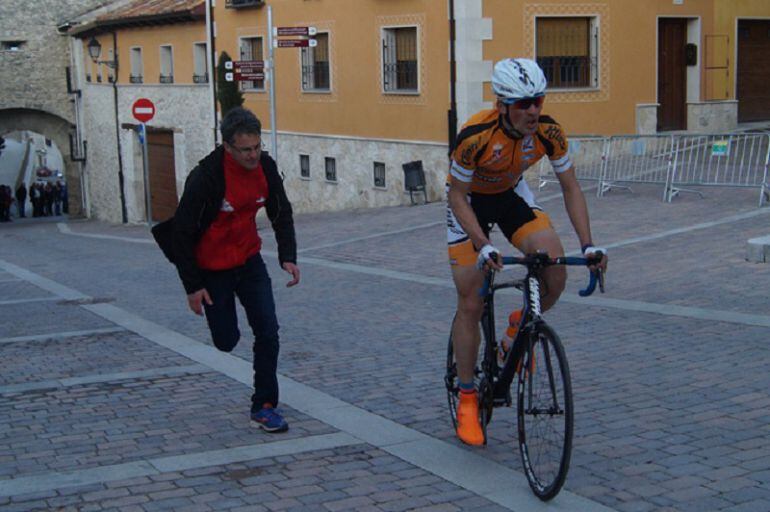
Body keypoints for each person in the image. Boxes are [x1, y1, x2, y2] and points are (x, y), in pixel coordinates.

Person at [446, 58, 608, 446]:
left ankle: (517, 331)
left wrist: (588, 244)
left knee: (554, 266)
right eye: (523, 103)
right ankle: (468, 397)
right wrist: (484, 246)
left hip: (510, 198)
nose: (533, 110)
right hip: (468, 206)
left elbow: (571, 188)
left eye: (537, 100)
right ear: (502, 104)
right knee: (471, 299)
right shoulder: (474, 136)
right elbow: (456, 195)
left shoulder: (549, 131)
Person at [152, 107, 300, 432]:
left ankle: (264, 405)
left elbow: (280, 210)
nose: (253, 155)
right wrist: (192, 286)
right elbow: (182, 234)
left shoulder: (266, 167)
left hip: (249, 260)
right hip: (212, 268)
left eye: (257, 147)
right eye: (245, 149)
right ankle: (223, 329)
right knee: (226, 341)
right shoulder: (206, 177)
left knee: (268, 331)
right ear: (227, 146)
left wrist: (288, 255)